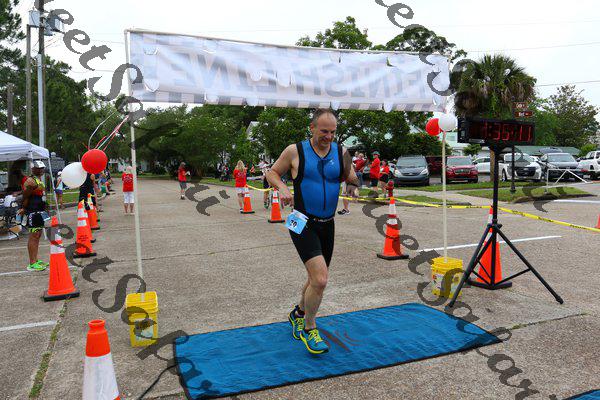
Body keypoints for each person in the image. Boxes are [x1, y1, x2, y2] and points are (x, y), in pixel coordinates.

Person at [266, 108, 359, 354]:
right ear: (312, 127)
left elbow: (352, 176)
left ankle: (298, 313)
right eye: (324, 131)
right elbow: (272, 173)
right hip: (302, 222)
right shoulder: (295, 151)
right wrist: (282, 188)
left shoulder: (341, 152)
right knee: (320, 279)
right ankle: (309, 328)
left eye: (333, 132)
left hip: (328, 224)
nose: (329, 136)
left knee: (314, 278)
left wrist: (353, 185)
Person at [18, 161, 49, 271]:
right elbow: (25, 196)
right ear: (33, 169)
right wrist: (23, 208)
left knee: (38, 234)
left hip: (39, 211)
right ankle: (32, 263)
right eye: (38, 168)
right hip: (32, 211)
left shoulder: (38, 179)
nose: (41, 170)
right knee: (34, 235)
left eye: (42, 168)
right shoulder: (30, 181)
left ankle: (35, 260)